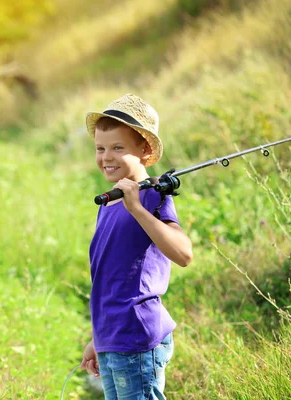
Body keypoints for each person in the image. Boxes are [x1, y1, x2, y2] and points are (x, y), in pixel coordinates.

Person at [80, 93, 193, 399]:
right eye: (100, 148)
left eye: (118, 147)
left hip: (137, 338)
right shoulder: (108, 204)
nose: (107, 157)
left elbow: (183, 254)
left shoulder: (152, 197)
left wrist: (139, 210)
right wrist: (98, 337)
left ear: (144, 149)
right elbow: (111, 282)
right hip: (113, 338)